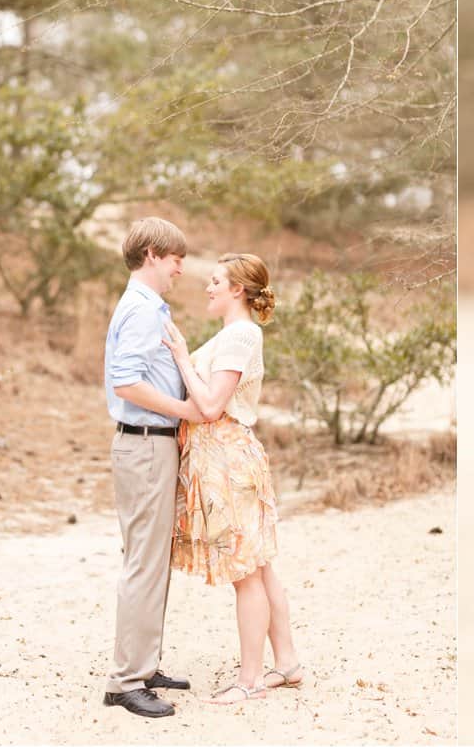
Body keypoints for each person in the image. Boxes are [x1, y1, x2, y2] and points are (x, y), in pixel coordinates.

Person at [161, 253, 304, 704]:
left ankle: (250, 679)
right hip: (223, 457)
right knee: (260, 567)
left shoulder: (241, 335)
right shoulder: (232, 334)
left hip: (227, 460)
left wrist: (183, 357)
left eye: (216, 281)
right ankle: (288, 663)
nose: (208, 287)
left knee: (246, 573)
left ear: (237, 290)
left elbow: (209, 407)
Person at [102, 216, 195, 718]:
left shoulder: (148, 307)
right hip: (144, 444)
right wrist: (186, 411)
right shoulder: (140, 310)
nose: (181, 269)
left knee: (153, 558)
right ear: (154, 254)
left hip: (153, 445)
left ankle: (143, 663)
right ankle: (125, 682)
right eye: (177, 259)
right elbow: (126, 383)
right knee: (143, 560)